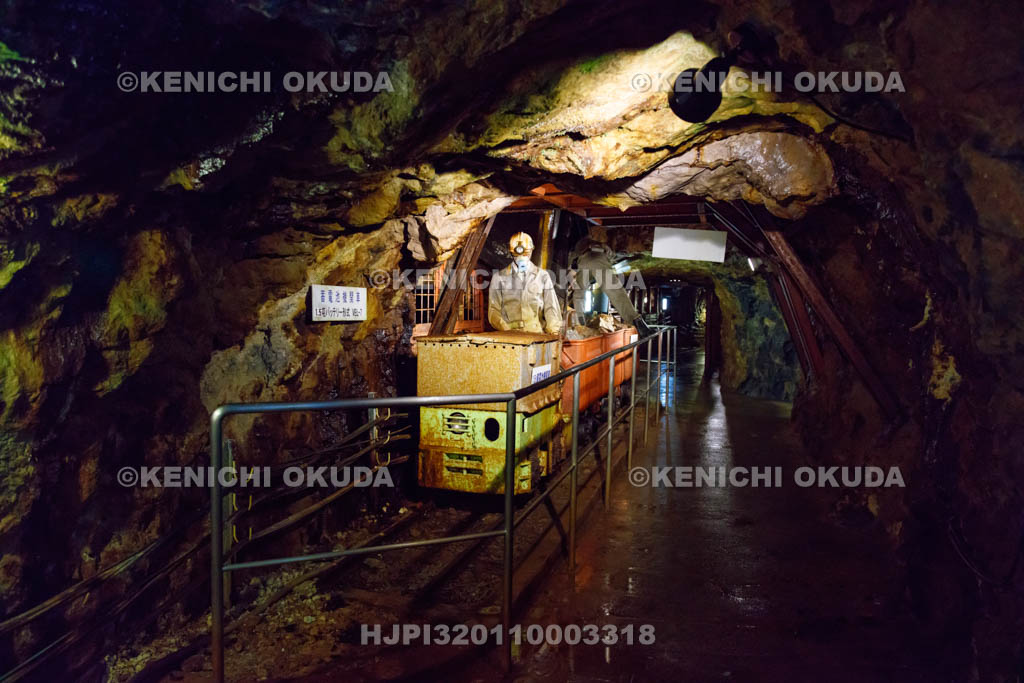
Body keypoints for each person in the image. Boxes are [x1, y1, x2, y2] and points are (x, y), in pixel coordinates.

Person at [570, 225, 652, 336]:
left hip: (584, 259)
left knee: (579, 293)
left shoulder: (585, 244)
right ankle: (637, 322)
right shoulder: (608, 237)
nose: (633, 252)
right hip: (595, 256)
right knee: (614, 291)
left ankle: (581, 322)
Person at [488, 232, 562, 335]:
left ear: (531, 251)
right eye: (517, 254)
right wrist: (505, 328)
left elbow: (551, 307)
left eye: (526, 253)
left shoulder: (542, 276)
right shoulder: (499, 278)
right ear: (512, 253)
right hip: (510, 336)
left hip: (536, 335)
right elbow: (493, 310)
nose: (522, 257)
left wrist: (554, 332)